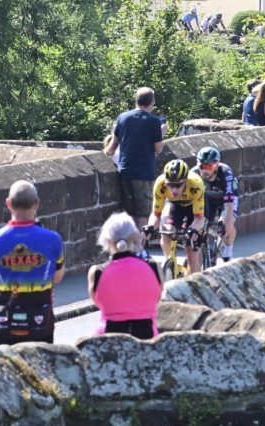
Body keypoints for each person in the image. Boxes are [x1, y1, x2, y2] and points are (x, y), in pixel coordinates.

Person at [0, 181, 64, 345]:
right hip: (40, 322)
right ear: (36, 204)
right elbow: (56, 277)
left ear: (8, 204)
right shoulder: (53, 240)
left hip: (4, 321)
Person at [89, 212, 162, 340]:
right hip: (148, 337)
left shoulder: (97, 272)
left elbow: (97, 302)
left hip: (109, 339)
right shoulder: (153, 267)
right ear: (134, 236)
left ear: (107, 239)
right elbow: (158, 297)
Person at [105, 87, 167, 228]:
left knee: (129, 213)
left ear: (137, 101)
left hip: (125, 171)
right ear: (151, 102)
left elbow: (113, 145)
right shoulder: (154, 121)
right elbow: (158, 149)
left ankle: (131, 246)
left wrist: (106, 153)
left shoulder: (122, 117)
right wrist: (162, 133)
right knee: (143, 214)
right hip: (143, 173)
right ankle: (140, 247)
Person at [147, 160, 206, 275]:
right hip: (174, 205)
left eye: (178, 185)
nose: (174, 190)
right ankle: (171, 264)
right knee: (166, 231)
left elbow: (199, 219)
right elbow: (156, 215)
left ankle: (194, 287)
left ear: (186, 181)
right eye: (170, 185)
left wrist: (193, 229)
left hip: (193, 207)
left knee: (192, 254)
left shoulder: (196, 184)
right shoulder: (160, 184)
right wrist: (149, 227)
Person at [191, 147, 238, 262]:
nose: (205, 171)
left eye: (209, 167)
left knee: (228, 223)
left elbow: (229, 206)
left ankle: (228, 251)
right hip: (208, 198)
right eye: (202, 167)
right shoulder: (193, 174)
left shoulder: (226, 173)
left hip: (226, 199)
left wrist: (226, 222)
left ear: (217, 165)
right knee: (200, 225)